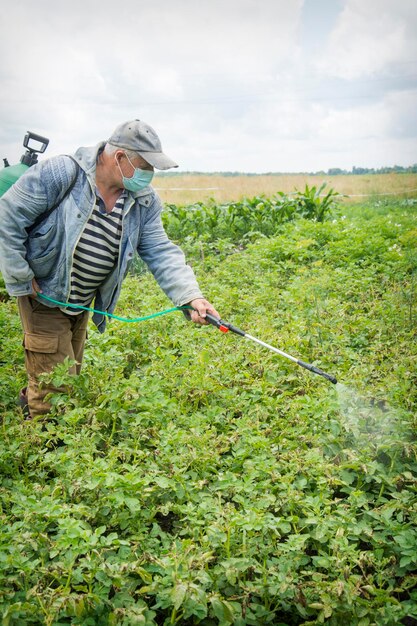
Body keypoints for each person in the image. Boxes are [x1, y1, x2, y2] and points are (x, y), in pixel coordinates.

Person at [0, 119, 219, 418]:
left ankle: (30, 401)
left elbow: (160, 251)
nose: (149, 176)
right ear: (119, 158)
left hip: (82, 301)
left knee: (67, 371)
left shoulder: (142, 201)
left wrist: (191, 296)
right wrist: (21, 277)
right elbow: (7, 218)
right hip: (45, 295)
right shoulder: (61, 174)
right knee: (56, 387)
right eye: (145, 166)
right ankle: (43, 444)